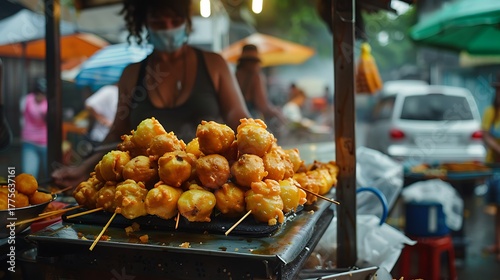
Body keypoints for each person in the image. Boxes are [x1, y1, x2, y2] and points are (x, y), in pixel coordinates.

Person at [52, 0, 250, 189]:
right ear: (144, 23)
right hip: (152, 189)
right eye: (158, 22)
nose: (168, 27)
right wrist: (83, 168)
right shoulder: (132, 74)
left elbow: (240, 120)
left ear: (187, 21)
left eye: (175, 20)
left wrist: (261, 153)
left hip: (208, 185)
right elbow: (117, 134)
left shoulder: (214, 65)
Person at [235, 44, 285, 123]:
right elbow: (262, 106)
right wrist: (277, 113)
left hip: (234, 119)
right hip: (249, 120)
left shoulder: (235, 75)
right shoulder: (256, 77)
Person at [482, 74, 500, 262]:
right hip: (494, 167)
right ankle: (497, 243)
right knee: (497, 208)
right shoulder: (490, 112)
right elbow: (485, 135)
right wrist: (496, 148)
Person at [21, 78, 48, 180]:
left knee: (50, 175)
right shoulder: (27, 100)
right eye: (39, 93)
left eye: (43, 93)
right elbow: (22, 118)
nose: (41, 96)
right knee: (29, 176)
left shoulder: (49, 103)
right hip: (30, 142)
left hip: (45, 143)